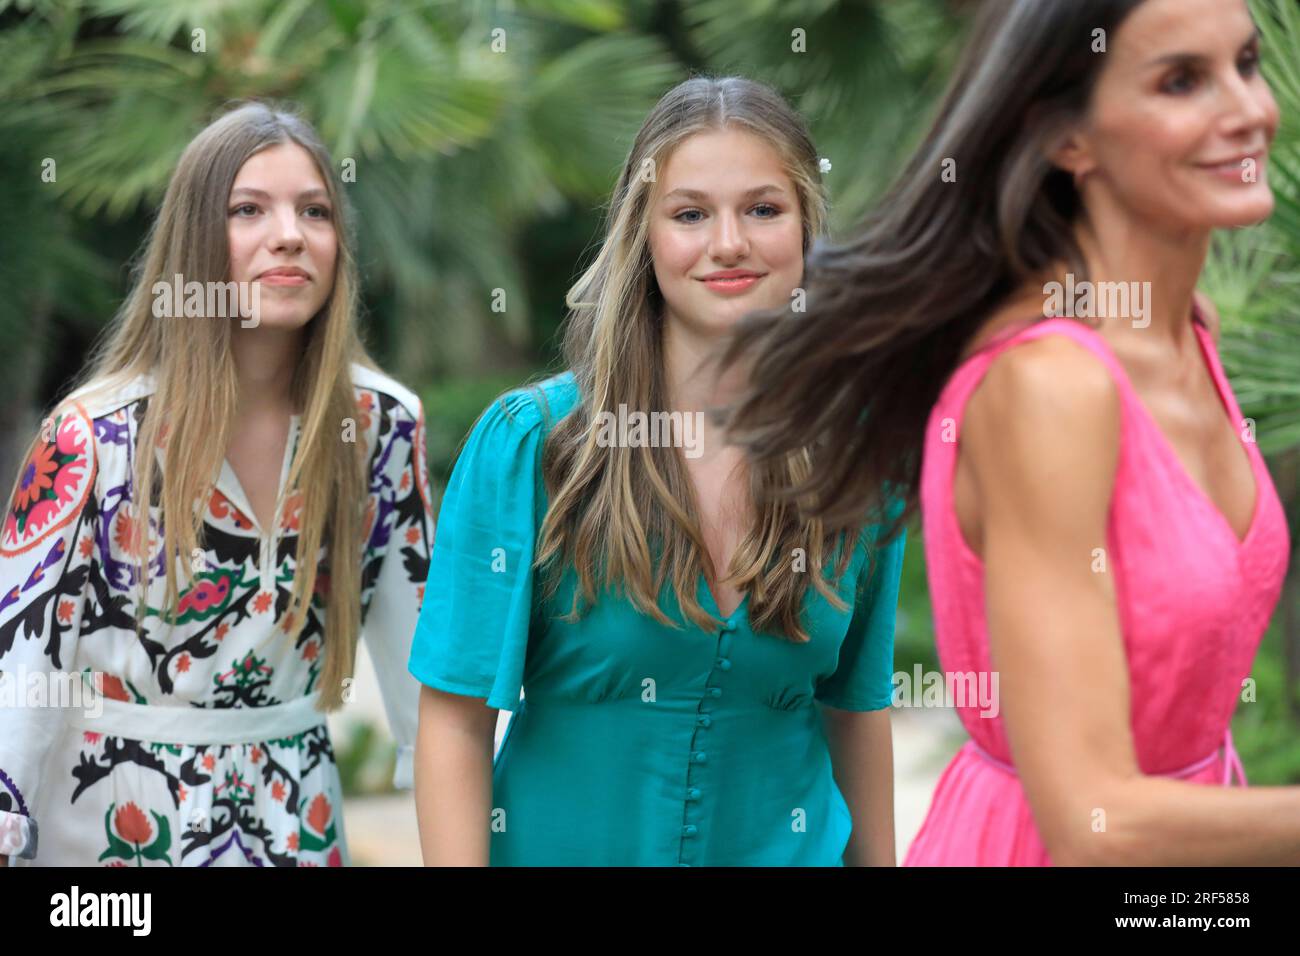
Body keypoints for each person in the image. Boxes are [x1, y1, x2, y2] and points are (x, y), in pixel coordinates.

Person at [721, 0, 1296, 864]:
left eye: (1246, 64)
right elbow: (1093, 825)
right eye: (1182, 80)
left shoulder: (1189, 333)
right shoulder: (1050, 390)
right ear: (1069, 138)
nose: (1248, 108)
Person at [409, 76, 906, 867]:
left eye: (764, 209)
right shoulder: (534, 447)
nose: (730, 243)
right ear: (645, 238)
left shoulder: (860, 460)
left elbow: (855, 710)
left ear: (809, 228)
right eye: (690, 214)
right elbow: (455, 723)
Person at [0, 102, 433, 866]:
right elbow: (23, 674)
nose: (290, 234)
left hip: (298, 818)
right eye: (247, 210)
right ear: (195, 243)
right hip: (112, 832)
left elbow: (425, 678)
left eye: (315, 211)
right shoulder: (94, 435)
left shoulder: (379, 426)